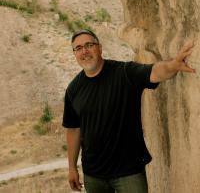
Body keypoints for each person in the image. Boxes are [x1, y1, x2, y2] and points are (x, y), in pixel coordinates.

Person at [62, 29, 195, 193]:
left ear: (100, 48)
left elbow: (153, 72)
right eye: (79, 48)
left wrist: (172, 65)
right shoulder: (73, 89)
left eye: (89, 45)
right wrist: (72, 168)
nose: (84, 51)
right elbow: (73, 129)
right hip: (93, 174)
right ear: (75, 53)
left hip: (128, 172)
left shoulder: (123, 73)